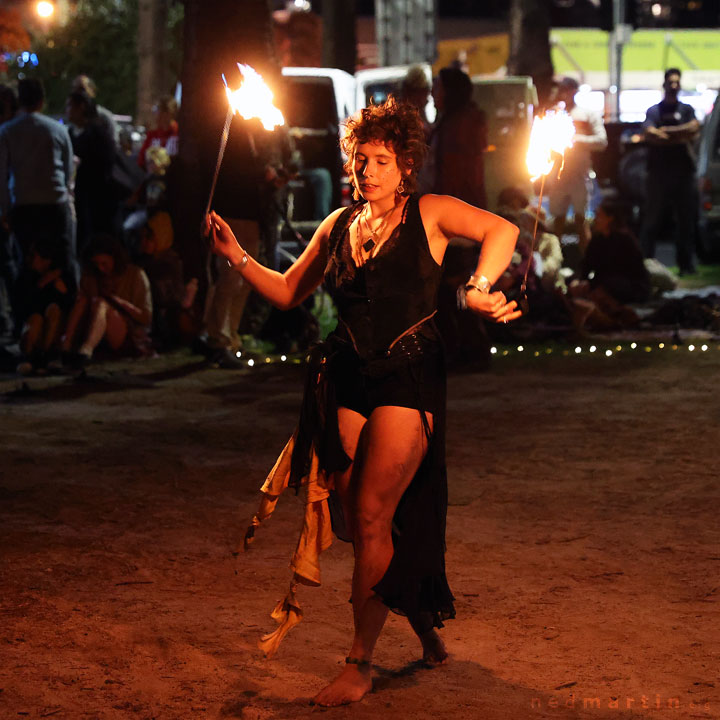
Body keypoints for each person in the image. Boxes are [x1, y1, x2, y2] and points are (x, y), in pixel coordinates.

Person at [205, 97, 520, 706]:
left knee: (375, 514)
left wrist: (479, 287)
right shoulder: (338, 225)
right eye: (359, 158)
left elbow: (500, 230)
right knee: (357, 517)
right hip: (349, 377)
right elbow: (291, 291)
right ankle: (423, 622)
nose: (366, 170)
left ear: (405, 165)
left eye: (380, 160)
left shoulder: (430, 211)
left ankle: (359, 662)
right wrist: (237, 257)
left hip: (409, 376)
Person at [0, 78, 77, 323]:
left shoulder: (8, 131)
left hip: (23, 204)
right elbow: (67, 168)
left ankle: (28, 319)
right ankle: (63, 318)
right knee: (61, 262)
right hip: (54, 203)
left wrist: (5, 210)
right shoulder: (57, 129)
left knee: (27, 264)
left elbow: (2, 175)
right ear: (42, 101)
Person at [639, 68, 700, 275]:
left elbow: (693, 128)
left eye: (677, 82)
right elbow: (649, 133)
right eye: (670, 82)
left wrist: (666, 132)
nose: (674, 86)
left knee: (685, 221)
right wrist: (679, 136)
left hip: (684, 173)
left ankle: (686, 266)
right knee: (652, 220)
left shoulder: (687, 109)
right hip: (658, 173)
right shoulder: (654, 111)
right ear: (664, 85)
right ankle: (646, 265)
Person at [61, 235, 152, 366]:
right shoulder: (91, 277)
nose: (100, 268)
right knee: (83, 300)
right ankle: (66, 347)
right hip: (96, 331)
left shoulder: (135, 275)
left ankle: (86, 350)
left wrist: (117, 301)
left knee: (101, 304)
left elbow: (145, 317)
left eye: (104, 263)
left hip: (127, 333)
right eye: (96, 264)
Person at [548, 76, 607, 248]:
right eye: (560, 89)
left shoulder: (587, 114)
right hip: (558, 174)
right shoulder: (553, 114)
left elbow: (601, 141)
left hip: (579, 174)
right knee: (557, 220)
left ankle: (586, 264)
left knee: (581, 220)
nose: (561, 93)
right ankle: (554, 261)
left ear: (574, 91)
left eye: (565, 89)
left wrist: (576, 139)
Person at [424, 66, 487, 208]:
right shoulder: (449, 122)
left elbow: (453, 175)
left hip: (457, 208)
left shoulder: (460, 127)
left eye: (438, 88)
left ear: (450, 92)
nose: (432, 93)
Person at [66, 90, 118, 254]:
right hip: (78, 195)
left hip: (96, 197)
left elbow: (106, 162)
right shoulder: (69, 133)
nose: (67, 110)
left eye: (70, 106)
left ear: (80, 107)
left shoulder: (97, 133)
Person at [15, 238, 73, 375]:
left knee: (54, 310)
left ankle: (51, 355)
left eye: (34, 255)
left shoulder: (63, 277)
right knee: (36, 318)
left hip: (55, 333)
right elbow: (22, 309)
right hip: (33, 331)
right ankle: (29, 357)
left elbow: (70, 307)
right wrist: (40, 285)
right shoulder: (25, 277)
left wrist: (63, 293)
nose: (29, 259)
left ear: (47, 260)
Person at [71, 74, 119, 150]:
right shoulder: (72, 121)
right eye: (75, 89)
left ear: (92, 91)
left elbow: (113, 144)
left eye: (82, 89)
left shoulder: (104, 117)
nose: (78, 93)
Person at [137, 96, 179, 171]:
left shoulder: (178, 134)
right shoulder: (152, 135)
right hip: (154, 179)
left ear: (168, 114)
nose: (156, 115)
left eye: (157, 111)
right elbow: (141, 160)